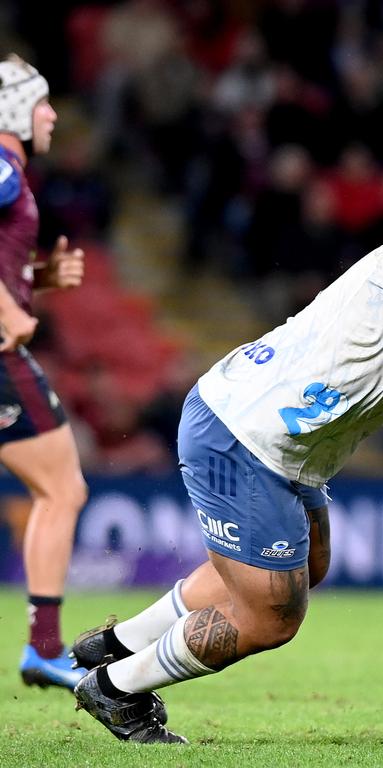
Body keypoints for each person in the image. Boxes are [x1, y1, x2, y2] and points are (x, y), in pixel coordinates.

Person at [68, 228, 383, 743]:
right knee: (271, 616)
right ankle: (116, 687)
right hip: (244, 433)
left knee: (308, 566)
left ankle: (117, 644)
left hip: (288, 446)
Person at [0, 55, 89, 692]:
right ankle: (44, 648)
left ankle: (43, 648)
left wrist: (34, 280)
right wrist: (5, 306)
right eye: (41, 102)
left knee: (55, 491)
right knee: (61, 490)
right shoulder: (2, 167)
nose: (51, 114)